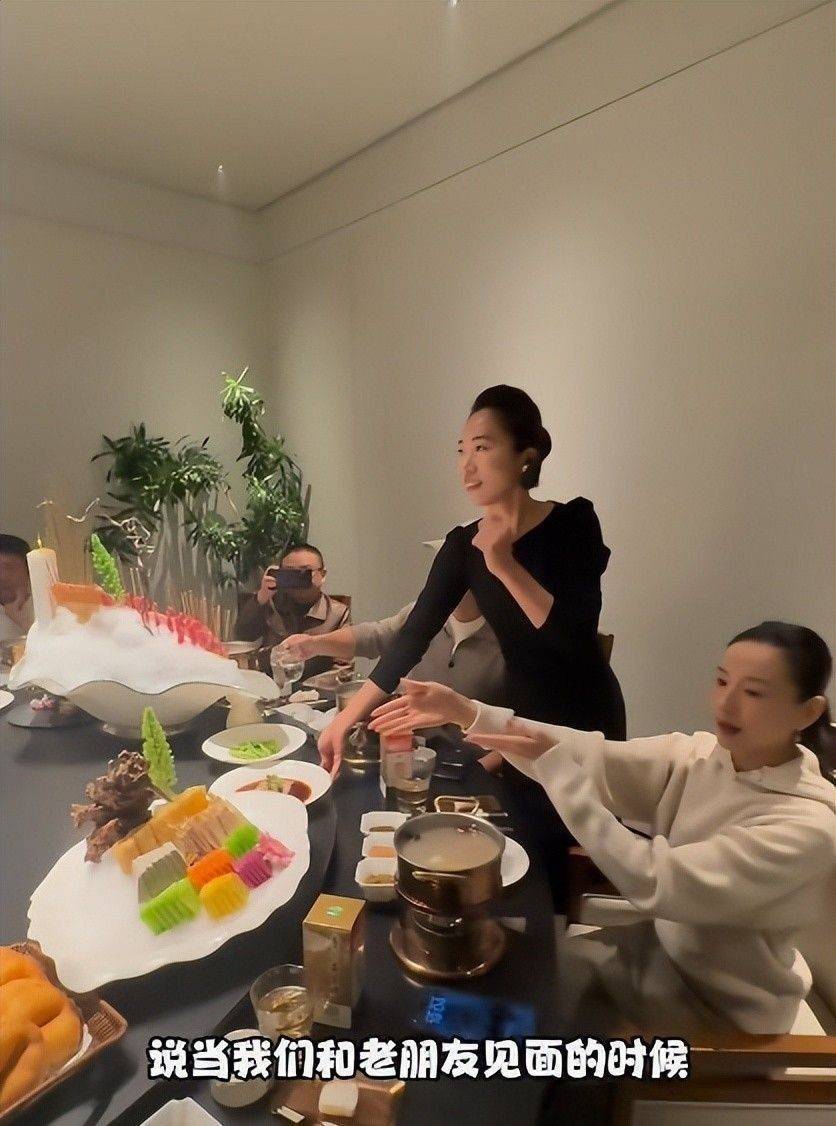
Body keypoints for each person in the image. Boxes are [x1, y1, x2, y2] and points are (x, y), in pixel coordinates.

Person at [371, 622, 836, 1036]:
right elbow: (588, 755)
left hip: (718, 1007)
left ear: (808, 712)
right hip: (653, 950)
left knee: (512, 1016)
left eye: (754, 693)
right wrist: (466, 711)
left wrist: (562, 779)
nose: (726, 702)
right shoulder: (702, 756)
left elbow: (656, 879)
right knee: (495, 971)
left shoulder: (806, 827)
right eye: (721, 680)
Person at [318, 384, 625, 903]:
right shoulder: (463, 545)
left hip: (584, 716)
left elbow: (573, 639)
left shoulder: (573, 523)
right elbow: (411, 637)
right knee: (523, 861)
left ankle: (564, 939)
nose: (467, 466)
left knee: (566, 856)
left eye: (482, 447)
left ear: (526, 455)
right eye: (461, 450)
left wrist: (502, 562)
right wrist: (346, 717)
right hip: (522, 718)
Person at [279, 542, 507, 706]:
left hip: (471, 752)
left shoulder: (508, 632)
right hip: (409, 738)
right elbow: (376, 636)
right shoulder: (422, 612)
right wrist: (314, 644)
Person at [235, 543, 350, 676]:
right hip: (270, 683)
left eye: (304, 572)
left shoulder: (338, 613)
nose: (297, 579)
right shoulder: (271, 603)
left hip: (316, 687)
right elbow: (243, 636)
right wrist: (262, 596)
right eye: (290, 573)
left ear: (322, 575)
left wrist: (307, 688)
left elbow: (343, 670)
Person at [0, 535, 34, 641]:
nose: (2, 577)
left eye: (8, 568)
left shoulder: (49, 607)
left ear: (28, 571)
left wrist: (24, 622)